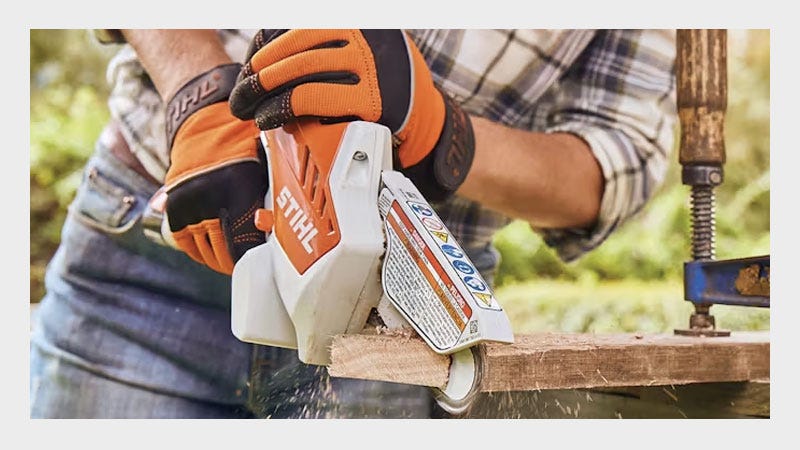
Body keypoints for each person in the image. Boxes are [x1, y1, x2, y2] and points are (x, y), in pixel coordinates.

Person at [29, 29, 677, 419]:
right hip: (157, 274)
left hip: (402, 310)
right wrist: (198, 96)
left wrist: (442, 133)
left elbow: (614, 163)